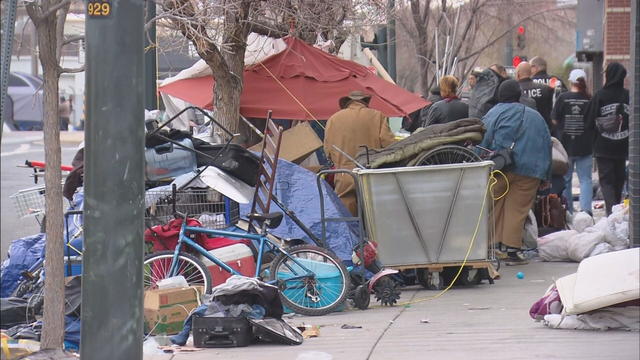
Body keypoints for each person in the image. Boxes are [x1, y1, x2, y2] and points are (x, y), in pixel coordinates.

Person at [478, 79, 551, 265]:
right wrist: (545, 175)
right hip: (529, 171)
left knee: (493, 206)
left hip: (499, 168)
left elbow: (482, 139)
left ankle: (492, 246)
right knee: (517, 210)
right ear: (519, 95)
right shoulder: (536, 117)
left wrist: (476, 160)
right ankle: (512, 250)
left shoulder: (494, 113)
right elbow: (546, 145)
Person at [324, 91, 395, 215]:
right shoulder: (377, 116)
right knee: (373, 210)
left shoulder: (333, 119)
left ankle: (352, 233)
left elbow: (328, 150)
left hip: (344, 173)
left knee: (347, 211)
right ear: (365, 102)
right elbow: (388, 143)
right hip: (370, 171)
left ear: (346, 103)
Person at [584, 62, 629, 216]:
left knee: (607, 182)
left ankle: (612, 213)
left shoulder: (600, 96)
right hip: (623, 147)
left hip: (603, 147)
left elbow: (588, 120)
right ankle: (617, 212)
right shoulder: (628, 96)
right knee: (619, 181)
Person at [551, 69, 593, 215]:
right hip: (585, 146)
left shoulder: (563, 98)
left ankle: (568, 210)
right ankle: (586, 211)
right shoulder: (589, 99)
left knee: (566, 179)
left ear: (571, 81)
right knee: (586, 179)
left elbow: (554, 119)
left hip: (566, 146)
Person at [516, 62, 554, 129]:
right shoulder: (545, 89)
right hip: (542, 128)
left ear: (518, 73)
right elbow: (551, 111)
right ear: (531, 72)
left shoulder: (515, 90)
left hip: (521, 130)